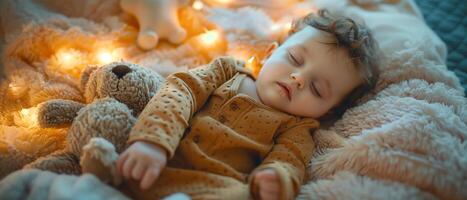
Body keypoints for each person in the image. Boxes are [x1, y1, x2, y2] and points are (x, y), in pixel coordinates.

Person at [116, 9, 381, 200]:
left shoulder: (297, 130)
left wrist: (276, 179)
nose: (298, 78)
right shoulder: (227, 71)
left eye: (317, 88)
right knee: (112, 127)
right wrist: (153, 141)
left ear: (329, 112)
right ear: (269, 53)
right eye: (294, 58)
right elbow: (181, 90)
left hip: (216, 188)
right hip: (157, 158)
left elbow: (290, 162)